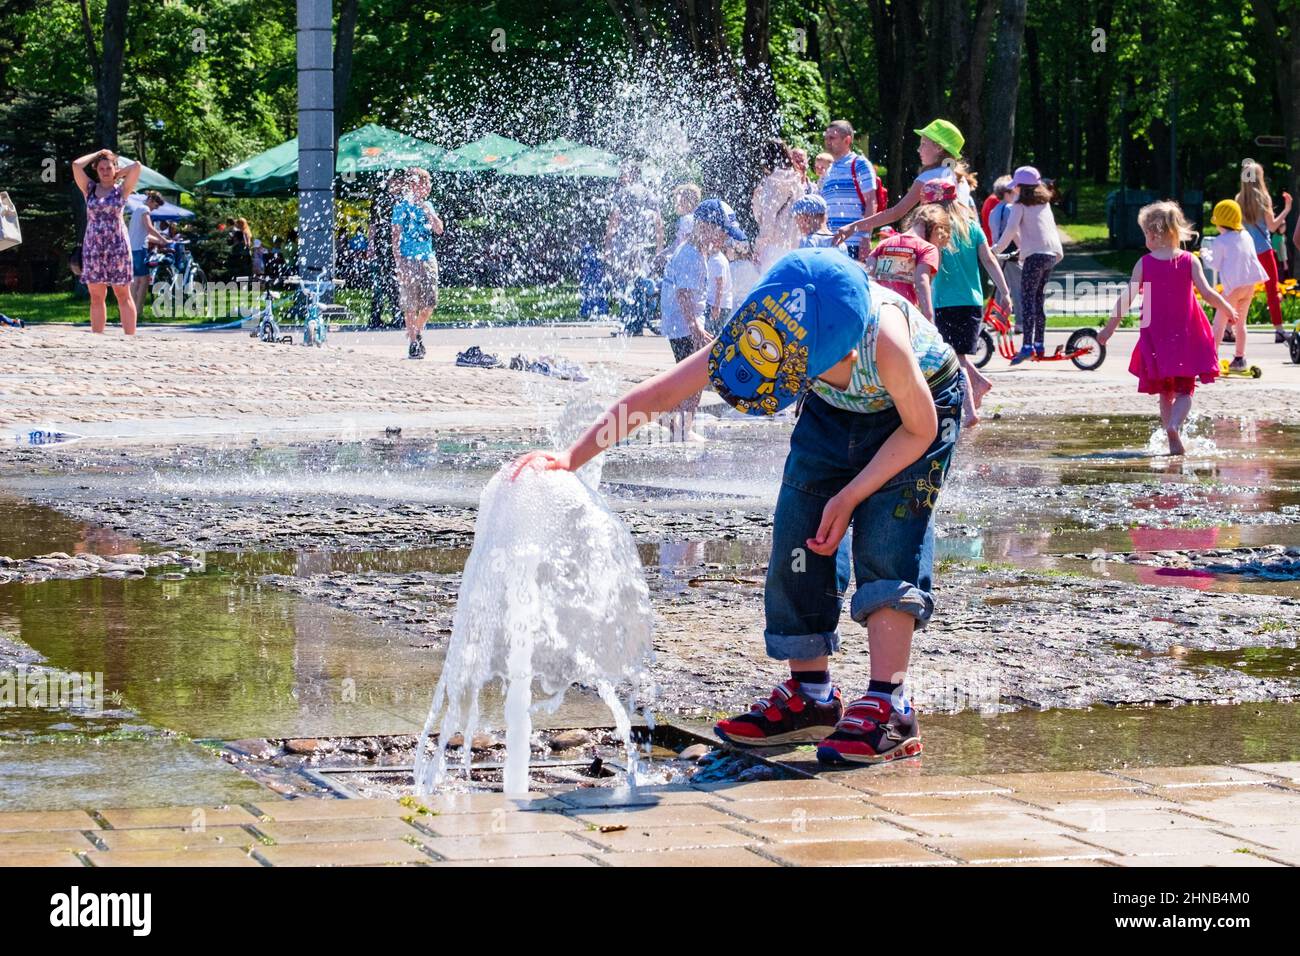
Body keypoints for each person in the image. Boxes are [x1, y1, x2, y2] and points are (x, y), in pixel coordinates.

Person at [512, 248, 964, 765]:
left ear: (841, 351)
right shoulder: (767, 330)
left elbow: (921, 429)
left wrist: (853, 493)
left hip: (918, 415)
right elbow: (658, 395)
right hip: (833, 416)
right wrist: (572, 456)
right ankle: (811, 697)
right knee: (800, 533)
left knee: (889, 540)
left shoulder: (885, 342)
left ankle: (890, 705)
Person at [1097, 202, 1234, 457]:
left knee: (1165, 390)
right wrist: (1227, 308)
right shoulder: (1189, 261)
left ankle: (1169, 430)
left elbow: (1125, 299)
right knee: (1185, 389)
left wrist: (1109, 329)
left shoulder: (1144, 263)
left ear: (1152, 234)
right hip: (1186, 335)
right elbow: (1207, 293)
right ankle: (1175, 426)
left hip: (1156, 336)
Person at [657, 199, 746, 441]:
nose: (725, 240)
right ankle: (683, 426)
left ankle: (674, 418)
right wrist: (694, 326)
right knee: (695, 375)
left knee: (692, 375)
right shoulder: (691, 255)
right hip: (684, 325)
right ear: (706, 227)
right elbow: (683, 293)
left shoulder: (696, 251)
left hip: (685, 324)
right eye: (723, 233)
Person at [923, 181, 1009, 427]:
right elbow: (990, 260)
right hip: (972, 302)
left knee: (954, 358)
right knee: (957, 353)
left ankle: (970, 411)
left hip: (945, 302)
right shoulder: (972, 227)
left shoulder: (936, 231)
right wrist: (1005, 292)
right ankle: (979, 383)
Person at [834, 119, 975, 247]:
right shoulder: (959, 179)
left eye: (923, 144)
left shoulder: (928, 178)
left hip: (938, 243)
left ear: (939, 148)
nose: (918, 149)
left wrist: (854, 227)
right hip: (962, 241)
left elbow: (896, 212)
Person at [992, 166, 1064, 363]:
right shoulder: (1044, 203)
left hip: (1035, 257)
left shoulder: (1019, 205)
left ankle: (1026, 346)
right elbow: (1039, 231)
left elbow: (1010, 230)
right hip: (1051, 255)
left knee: (1026, 300)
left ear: (1021, 188)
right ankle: (1039, 344)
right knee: (1038, 300)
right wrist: (1022, 250)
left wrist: (995, 250)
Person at [71, 148, 140, 335]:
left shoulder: (122, 190)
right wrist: (97, 154)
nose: (105, 171)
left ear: (114, 168)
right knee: (96, 295)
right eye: (101, 168)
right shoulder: (89, 189)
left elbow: (137, 167)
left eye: (109, 168)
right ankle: (98, 338)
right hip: (93, 246)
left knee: (122, 293)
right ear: (96, 170)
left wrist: (119, 174)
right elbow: (76, 165)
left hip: (117, 246)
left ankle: (130, 338)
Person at [1206, 199, 1267, 371]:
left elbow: (1215, 264)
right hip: (1249, 285)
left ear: (1220, 222)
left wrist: (1205, 255)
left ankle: (1211, 359)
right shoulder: (1246, 235)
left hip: (1232, 288)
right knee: (1241, 323)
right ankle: (1240, 359)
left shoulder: (1221, 240)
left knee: (1219, 323)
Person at [1236, 160, 1292, 343]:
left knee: (1239, 290)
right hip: (1264, 251)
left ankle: (1229, 327)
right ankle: (1279, 329)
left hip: (1245, 251)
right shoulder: (1264, 199)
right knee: (1271, 291)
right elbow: (1273, 226)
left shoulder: (1238, 199)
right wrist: (1287, 209)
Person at [390, 167, 444, 359]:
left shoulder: (428, 205)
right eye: (426, 183)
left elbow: (439, 230)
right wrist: (399, 264)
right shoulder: (401, 207)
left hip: (427, 258)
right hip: (407, 259)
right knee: (411, 303)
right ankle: (413, 343)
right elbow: (395, 237)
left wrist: (430, 212)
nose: (429, 187)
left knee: (431, 302)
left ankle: (417, 330)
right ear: (415, 185)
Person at [605, 161, 664, 324]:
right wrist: (659, 248)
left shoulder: (622, 194)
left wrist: (608, 244)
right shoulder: (650, 194)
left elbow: (613, 220)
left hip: (625, 244)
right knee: (642, 277)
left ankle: (629, 320)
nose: (621, 178)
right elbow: (659, 222)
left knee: (626, 279)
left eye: (624, 174)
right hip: (645, 244)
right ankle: (643, 315)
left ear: (630, 175)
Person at [866, 203, 947, 321]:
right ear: (936, 228)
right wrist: (929, 318)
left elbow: (868, 279)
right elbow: (922, 283)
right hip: (904, 315)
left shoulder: (883, 244)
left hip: (879, 313)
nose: (938, 244)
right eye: (940, 238)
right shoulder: (927, 248)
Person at [818, 120, 876, 261]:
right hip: (830, 243)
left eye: (832, 138)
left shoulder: (859, 164)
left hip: (853, 243)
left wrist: (865, 236)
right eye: (826, 138)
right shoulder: (829, 170)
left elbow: (871, 203)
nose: (827, 141)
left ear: (847, 140)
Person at [751, 139, 805, 273]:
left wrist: (759, 247)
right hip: (794, 246)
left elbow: (768, 219)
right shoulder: (797, 182)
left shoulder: (771, 183)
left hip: (773, 248)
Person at [986, 175, 1023, 327]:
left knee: (1003, 289)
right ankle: (1021, 322)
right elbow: (1013, 231)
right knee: (1018, 288)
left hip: (999, 252)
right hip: (1011, 253)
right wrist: (1024, 248)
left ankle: (1001, 321)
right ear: (1007, 193)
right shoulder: (1009, 208)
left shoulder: (994, 210)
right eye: (1014, 192)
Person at [368, 173, 401, 328]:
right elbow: (373, 223)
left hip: (397, 244)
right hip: (384, 243)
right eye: (396, 181)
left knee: (394, 280)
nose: (398, 184)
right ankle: (378, 314)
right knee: (385, 280)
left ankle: (395, 314)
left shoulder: (402, 199)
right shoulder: (380, 198)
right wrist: (371, 245)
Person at [128, 191, 167, 313]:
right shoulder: (145, 209)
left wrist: (161, 241)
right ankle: (138, 311)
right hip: (140, 249)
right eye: (156, 205)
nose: (155, 209)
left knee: (136, 280)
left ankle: (130, 311)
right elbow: (149, 228)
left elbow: (143, 235)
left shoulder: (137, 210)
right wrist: (163, 238)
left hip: (133, 249)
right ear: (151, 200)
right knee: (144, 280)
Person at [669, 183, 702, 254]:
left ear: (686, 202)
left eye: (680, 201)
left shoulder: (687, 219)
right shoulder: (697, 217)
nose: (677, 204)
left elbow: (684, 245)